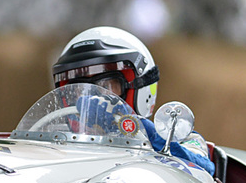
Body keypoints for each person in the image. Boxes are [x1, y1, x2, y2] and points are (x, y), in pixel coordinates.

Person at [50, 25, 214, 175]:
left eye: (106, 86)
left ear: (138, 90)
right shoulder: (53, 139)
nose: (92, 98)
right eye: (79, 90)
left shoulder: (177, 138)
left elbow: (202, 170)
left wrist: (134, 127)